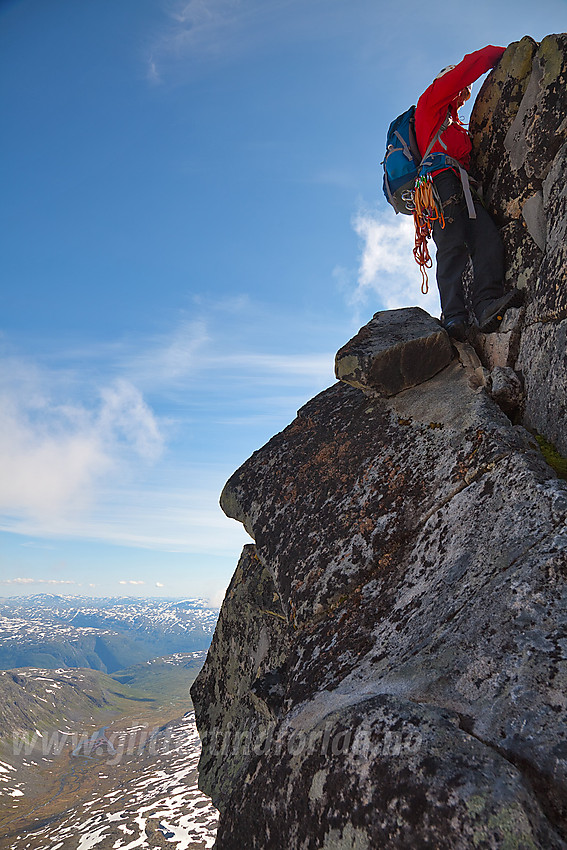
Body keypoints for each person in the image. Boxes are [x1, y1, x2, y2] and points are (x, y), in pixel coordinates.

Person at [414, 45, 523, 341]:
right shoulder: (431, 102)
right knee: (452, 246)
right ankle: (454, 318)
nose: (465, 94)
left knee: (486, 239)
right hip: (440, 183)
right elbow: (470, 66)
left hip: (461, 187)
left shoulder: (454, 125)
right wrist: (507, 54)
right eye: (462, 90)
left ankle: (486, 305)